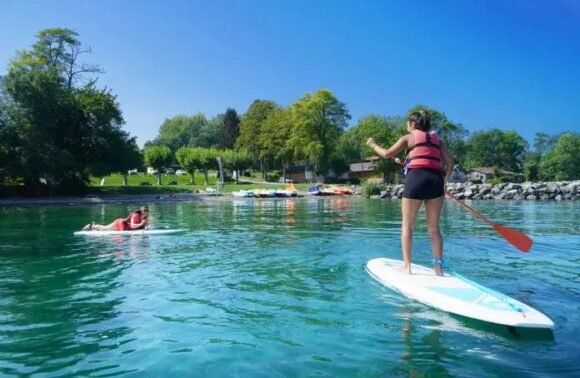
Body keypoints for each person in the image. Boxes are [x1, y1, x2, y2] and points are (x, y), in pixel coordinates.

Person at [367, 110, 453, 276]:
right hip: (435, 182)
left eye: (408, 123)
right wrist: (444, 181)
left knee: (408, 225)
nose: (407, 126)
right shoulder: (437, 140)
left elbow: (387, 154)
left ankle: (407, 266)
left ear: (413, 124)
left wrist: (372, 145)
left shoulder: (409, 137)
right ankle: (438, 268)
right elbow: (450, 163)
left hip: (416, 180)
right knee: (434, 229)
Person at [82, 207, 149, 231]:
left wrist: (145, 226)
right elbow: (132, 225)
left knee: (105, 229)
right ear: (141, 212)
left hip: (125, 227)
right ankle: (90, 226)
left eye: (146, 214)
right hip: (120, 223)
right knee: (105, 228)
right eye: (144, 213)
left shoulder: (145, 217)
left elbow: (144, 225)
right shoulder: (135, 215)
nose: (144, 215)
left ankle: (93, 227)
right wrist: (140, 224)